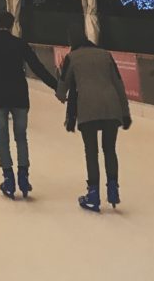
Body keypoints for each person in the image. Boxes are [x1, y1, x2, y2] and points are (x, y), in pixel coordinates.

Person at [0, 11, 58, 199]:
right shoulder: (19, 44)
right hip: (19, 96)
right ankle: (24, 177)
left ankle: (8, 178)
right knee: (21, 137)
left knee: (2, 138)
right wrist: (56, 86)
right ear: (11, 25)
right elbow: (38, 67)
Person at [57, 34, 132, 212]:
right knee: (110, 149)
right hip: (111, 106)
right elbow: (119, 84)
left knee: (91, 151)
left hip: (88, 108)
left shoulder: (71, 58)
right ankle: (113, 189)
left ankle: (93, 194)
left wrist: (60, 75)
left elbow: (62, 90)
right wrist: (125, 113)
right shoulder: (105, 54)